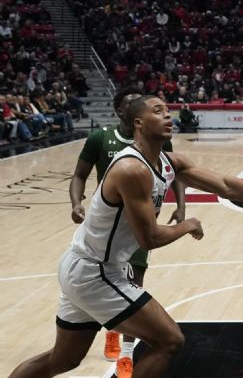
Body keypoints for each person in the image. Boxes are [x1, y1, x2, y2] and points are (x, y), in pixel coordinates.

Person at [10, 96, 243, 378]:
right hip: (94, 272)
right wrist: (188, 224)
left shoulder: (168, 162)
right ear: (138, 123)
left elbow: (225, 186)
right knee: (169, 340)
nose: (168, 116)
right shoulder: (131, 169)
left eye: (168, 111)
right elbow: (150, 239)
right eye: (158, 112)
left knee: (63, 360)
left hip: (84, 266)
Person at [68, 87, 186, 374]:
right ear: (124, 113)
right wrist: (75, 202)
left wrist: (181, 206)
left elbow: (175, 174)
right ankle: (114, 331)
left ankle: (127, 351)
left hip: (139, 225)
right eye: (132, 104)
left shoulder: (158, 141)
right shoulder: (101, 138)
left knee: (135, 283)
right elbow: (80, 174)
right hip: (109, 227)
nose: (139, 106)